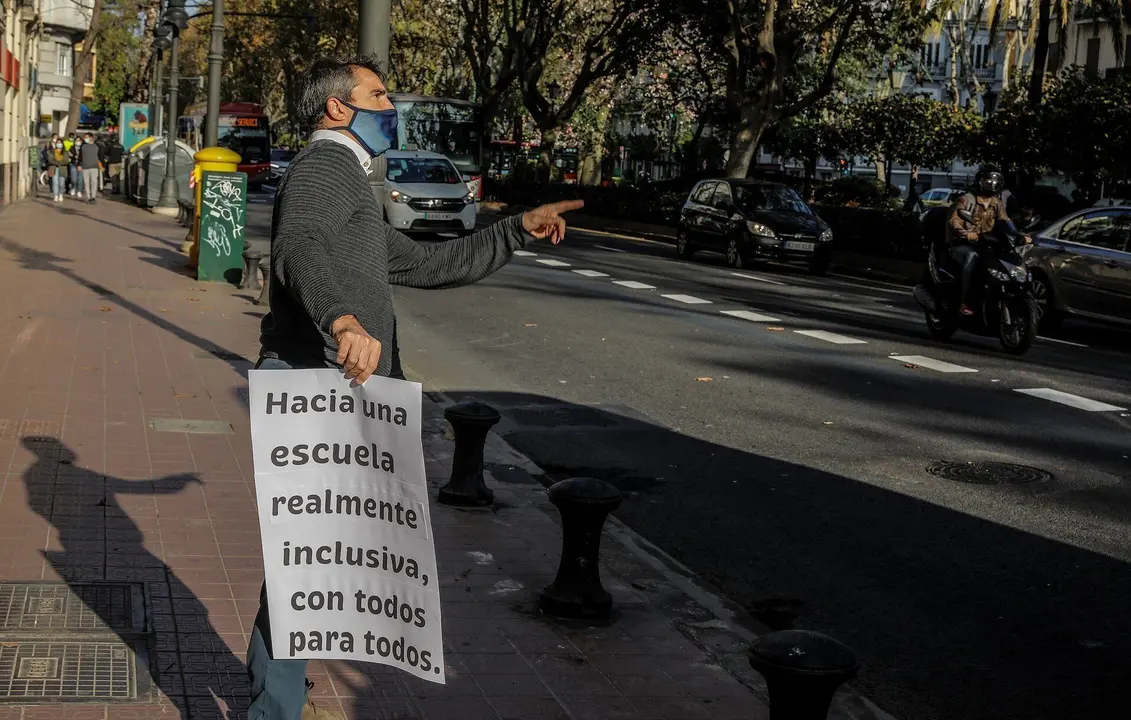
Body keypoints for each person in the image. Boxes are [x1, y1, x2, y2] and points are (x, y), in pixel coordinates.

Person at [247, 54, 582, 720]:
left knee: (314, 558)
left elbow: (429, 263)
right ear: (338, 108)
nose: (390, 108)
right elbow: (299, 247)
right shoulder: (324, 167)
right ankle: (272, 707)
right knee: (306, 562)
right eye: (378, 96)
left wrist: (515, 228)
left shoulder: (347, 178)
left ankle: (277, 694)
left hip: (338, 385)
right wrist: (341, 319)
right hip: (320, 385)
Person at [946, 165, 1028, 316]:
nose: (992, 184)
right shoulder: (966, 199)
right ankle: (965, 301)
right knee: (972, 257)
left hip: (987, 244)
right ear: (980, 181)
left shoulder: (997, 203)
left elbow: (1005, 221)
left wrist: (1018, 235)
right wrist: (965, 233)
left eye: (995, 181)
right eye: (988, 181)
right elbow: (955, 220)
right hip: (964, 244)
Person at [78, 132, 104, 204]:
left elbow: (100, 157)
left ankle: (93, 197)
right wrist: (79, 165)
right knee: (86, 183)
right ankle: (89, 197)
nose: (85, 138)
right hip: (85, 167)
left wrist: (101, 166)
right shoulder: (83, 146)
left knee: (94, 182)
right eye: (85, 137)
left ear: (91, 138)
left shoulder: (97, 146)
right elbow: (80, 156)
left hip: (94, 167)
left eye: (87, 137)